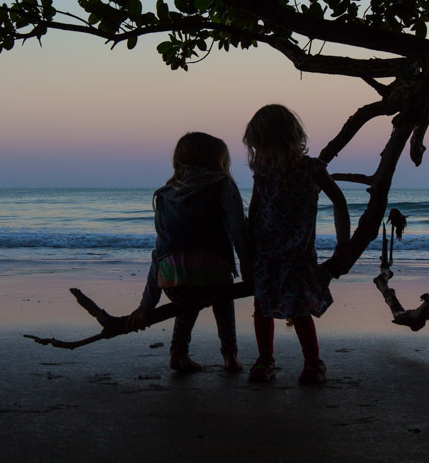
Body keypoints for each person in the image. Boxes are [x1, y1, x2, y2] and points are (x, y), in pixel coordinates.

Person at [243, 104, 351, 384]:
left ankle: (314, 362)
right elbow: (255, 211)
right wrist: (246, 251)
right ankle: (265, 359)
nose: (261, 153)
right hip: (265, 253)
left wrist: (343, 244)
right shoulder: (262, 171)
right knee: (261, 309)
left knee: (301, 311)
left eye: (262, 145)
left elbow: (339, 201)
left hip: (298, 255)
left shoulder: (311, 169)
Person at [127, 132, 251, 372]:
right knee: (221, 295)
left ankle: (178, 353)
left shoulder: (164, 195)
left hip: (173, 283)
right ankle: (230, 355)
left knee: (188, 293)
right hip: (213, 279)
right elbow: (238, 231)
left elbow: (160, 251)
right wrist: (249, 269)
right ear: (216, 161)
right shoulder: (223, 186)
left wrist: (146, 305)